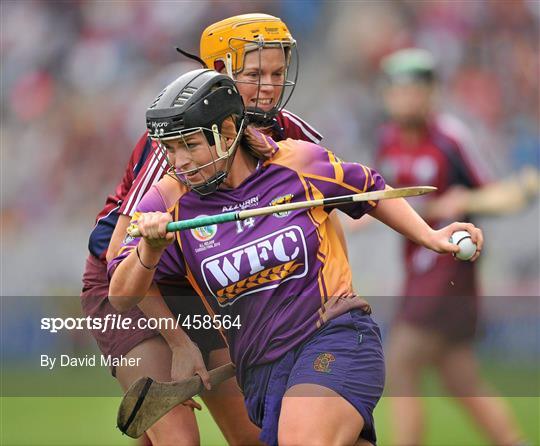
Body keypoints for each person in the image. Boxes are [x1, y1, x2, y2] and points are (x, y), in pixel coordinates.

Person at [108, 68, 483, 446]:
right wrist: (149, 250)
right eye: (170, 149)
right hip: (260, 372)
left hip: (333, 337)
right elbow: (121, 295)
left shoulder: (297, 163)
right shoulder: (166, 201)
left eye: (189, 144)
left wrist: (430, 236)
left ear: (226, 132)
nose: (179, 161)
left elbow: (368, 191)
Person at [83, 13, 344, 445]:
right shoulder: (178, 132)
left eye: (277, 72)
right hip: (132, 291)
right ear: (220, 72)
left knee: (255, 437)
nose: (270, 86)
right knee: (180, 441)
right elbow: (120, 259)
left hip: (204, 289)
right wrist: (179, 341)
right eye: (255, 74)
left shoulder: (287, 132)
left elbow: (320, 214)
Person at [375, 48, 527, 446]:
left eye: (417, 89)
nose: (408, 97)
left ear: (432, 93)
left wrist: (465, 200)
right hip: (416, 270)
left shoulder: (450, 139)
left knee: (402, 361)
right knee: (460, 377)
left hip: (450, 272)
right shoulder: (388, 142)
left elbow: (506, 196)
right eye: (399, 89)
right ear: (387, 95)